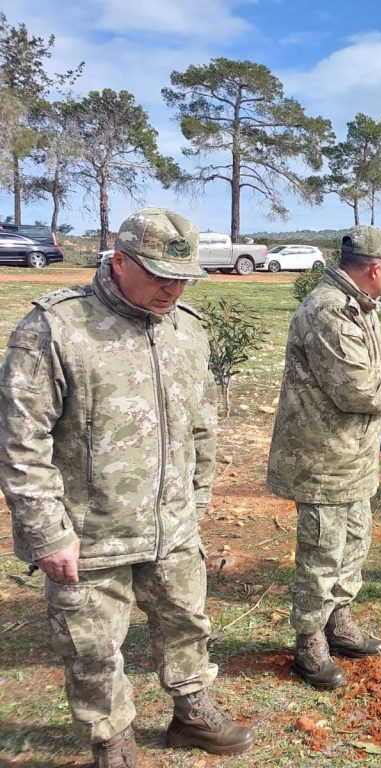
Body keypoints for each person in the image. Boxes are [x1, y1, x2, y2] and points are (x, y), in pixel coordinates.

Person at [0, 208, 254, 767]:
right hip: (91, 533)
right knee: (92, 647)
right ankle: (111, 740)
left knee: (187, 622)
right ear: (119, 261)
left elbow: (202, 422)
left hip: (173, 523)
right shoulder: (57, 328)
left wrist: (198, 498)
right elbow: (22, 441)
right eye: (161, 273)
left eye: (183, 275)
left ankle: (191, 712)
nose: (174, 287)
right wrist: (46, 532)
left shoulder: (186, 328)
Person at [266, 226, 381, 691]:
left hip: (353, 454)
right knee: (322, 552)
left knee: (354, 541)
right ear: (376, 268)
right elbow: (358, 389)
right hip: (324, 458)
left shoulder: (360, 307)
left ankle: (338, 621)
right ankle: (309, 641)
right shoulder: (329, 310)